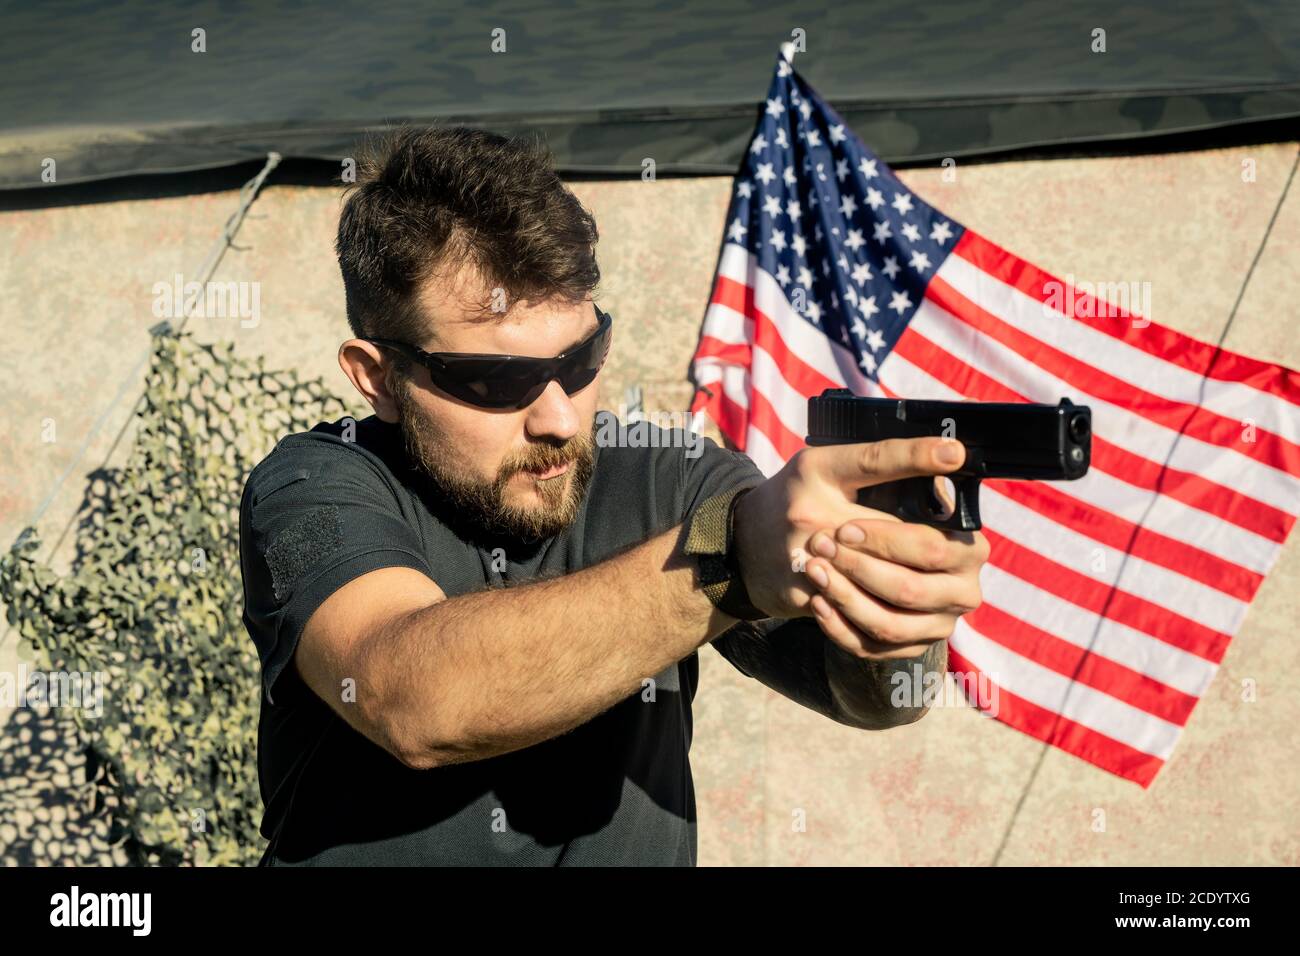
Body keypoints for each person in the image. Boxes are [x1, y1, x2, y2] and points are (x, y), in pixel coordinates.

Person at [238, 126, 989, 866]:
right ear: (376, 377)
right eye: (497, 382)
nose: (560, 417)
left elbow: (870, 699)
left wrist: (898, 616)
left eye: (583, 357)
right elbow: (414, 701)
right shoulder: (315, 485)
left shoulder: (669, 474)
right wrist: (724, 558)